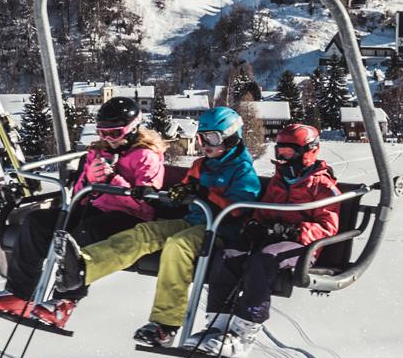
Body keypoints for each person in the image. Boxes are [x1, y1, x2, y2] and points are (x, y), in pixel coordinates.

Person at [35, 104, 260, 344]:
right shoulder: (200, 165)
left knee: (177, 245)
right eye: (201, 138)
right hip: (191, 220)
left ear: (232, 136)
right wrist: (178, 193)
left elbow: (240, 208)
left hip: (219, 231)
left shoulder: (243, 170)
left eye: (212, 138)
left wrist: (206, 194)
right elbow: (180, 195)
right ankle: (82, 269)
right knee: (144, 233)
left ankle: (166, 325)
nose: (205, 144)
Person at [0, 97, 164, 320]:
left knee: (82, 235)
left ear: (133, 129)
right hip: (94, 208)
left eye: (115, 133)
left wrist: (113, 180)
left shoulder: (147, 156)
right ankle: (19, 294)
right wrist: (89, 179)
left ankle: (65, 301)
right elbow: (78, 192)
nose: (108, 139)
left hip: (128, 218)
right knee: (36, 222)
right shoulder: (97, 153)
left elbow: (147, 203)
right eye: (102, 133)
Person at [194, 121, 342, 358]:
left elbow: (328, 226)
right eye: (279, 151)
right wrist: (256, 223)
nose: (282, 157)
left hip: (303, 248)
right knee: (228, 256)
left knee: (264, 260)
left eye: (289, 152)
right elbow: (263, 209)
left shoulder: (322, 184)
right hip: (273, 240)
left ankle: (243, 335)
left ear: (309, 150)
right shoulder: (279, 179)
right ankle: (217, 326)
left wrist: (297, 232)